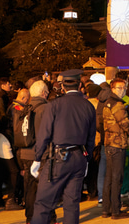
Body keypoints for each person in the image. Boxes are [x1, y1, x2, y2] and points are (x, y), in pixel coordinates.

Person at [29, 69, 96, 224]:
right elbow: (91, 138)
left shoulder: (54, 105)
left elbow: (44, 134)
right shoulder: (88, 106)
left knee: (44, 203)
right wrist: (87, 159)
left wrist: (37, 158)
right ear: (80, 85)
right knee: (71, 203)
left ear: (63, 86)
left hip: (59, 157)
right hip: (79, 157)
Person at [15, 81, 50, 223]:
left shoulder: (25, 108)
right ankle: (47, 218)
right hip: (41, 154)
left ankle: (30, 218)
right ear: (43, 93)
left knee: (30, 188)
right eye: (47, 92)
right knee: (45, 187)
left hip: (25, 152)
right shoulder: (46, 108)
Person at [100, 78, 129, 220]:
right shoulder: (118, 104)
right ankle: (115, 210)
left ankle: (106, 209)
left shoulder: (107, 103)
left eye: (124, 88)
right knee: (116, 178)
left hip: (108, 143)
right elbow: (125, 123)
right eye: (120, 88)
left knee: (109, 177)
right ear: (113, 88)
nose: (123, 90)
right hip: (118, 144)